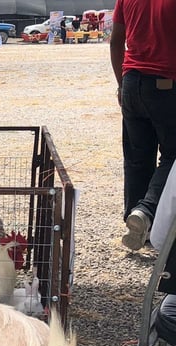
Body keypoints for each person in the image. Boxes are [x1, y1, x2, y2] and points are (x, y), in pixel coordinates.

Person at [110, 0, 176, 251]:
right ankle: (146, 211)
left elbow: (117, 41)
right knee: (173, 155)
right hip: (165, 82)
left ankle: (135, 224)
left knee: (137, 157)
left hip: (131, 80)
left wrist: (121, 82)